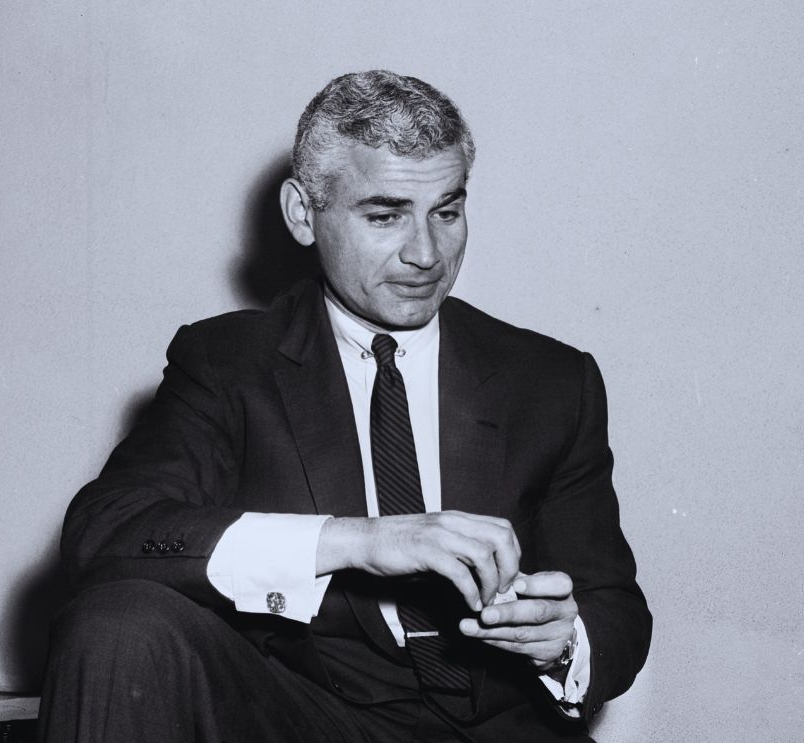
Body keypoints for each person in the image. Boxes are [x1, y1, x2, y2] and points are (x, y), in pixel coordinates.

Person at [39, 70, 651, 743]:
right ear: (303, 213)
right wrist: (358, 541)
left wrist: (562, 641)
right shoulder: (226, 362)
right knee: (119, 623)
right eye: (384, 215)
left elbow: (612, 605)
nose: (425, 253)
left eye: (445, 211)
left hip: (505, 729)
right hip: (306, 718)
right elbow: (108, 534)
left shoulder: (552, 380)